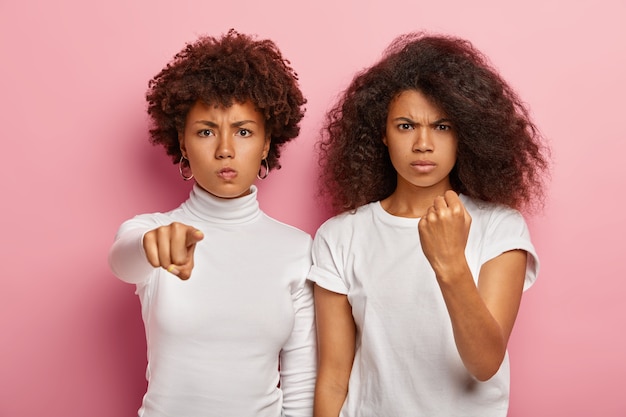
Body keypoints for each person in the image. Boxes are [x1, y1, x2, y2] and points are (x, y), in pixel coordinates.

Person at [309, 32, 549, 417]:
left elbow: (485, 363)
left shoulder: (500, 228)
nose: (423, 143)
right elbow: (334, 377)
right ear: (382, 135)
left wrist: (451, 262)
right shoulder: (339, 236)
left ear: (465, 134)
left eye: (442, 126)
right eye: (405, 126)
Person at [108, 29, 316, 417]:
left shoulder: (297, 249)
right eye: (206, 131)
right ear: (183, 143)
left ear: (267, 143)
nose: (224, 149)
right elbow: (122, 262)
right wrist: (152, 246)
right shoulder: (150, 229)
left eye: (243, 131)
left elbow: (302, 385)